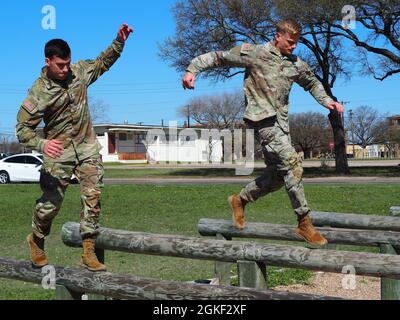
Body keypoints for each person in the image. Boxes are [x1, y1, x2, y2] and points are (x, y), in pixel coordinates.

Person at [182, 19, 344, 246]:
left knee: (278, 177)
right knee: (294, 165)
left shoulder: (295, 64)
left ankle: (240, 199)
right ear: (278, 36)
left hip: (282, 126)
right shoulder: (254, 53)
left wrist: (328, 101)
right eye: (290, 42)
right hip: (263, 123)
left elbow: (312, 82)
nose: (294, 46)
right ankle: (304, 222)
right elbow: (219, 56)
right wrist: (192, 70)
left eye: (296, 43)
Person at [16, 23, 133, 271]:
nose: (65, 69)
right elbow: (22, 130)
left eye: (68, 63)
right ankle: (36, 239)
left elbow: (103, 63)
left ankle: (88, 252)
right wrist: (42, 143)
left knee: (92, 197)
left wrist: (119, 41)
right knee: (50, 206)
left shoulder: (78, 73)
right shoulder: (38, 93)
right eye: (60, 65)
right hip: (59, 152)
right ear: (48, 61)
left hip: (87, 147)